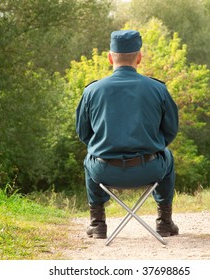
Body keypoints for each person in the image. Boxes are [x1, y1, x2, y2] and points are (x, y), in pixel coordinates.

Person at [76, 30, 179, 239]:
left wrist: (104, 150)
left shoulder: (91, 91)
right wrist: (153, 146)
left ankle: (97, 224)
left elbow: (84, 134)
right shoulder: (158, 89)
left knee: (89, 158)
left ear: (110, 57)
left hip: (104, 171)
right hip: (148, 169)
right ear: (139, 57)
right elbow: (170, 131)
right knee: (167, 155)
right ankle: (165, 223)